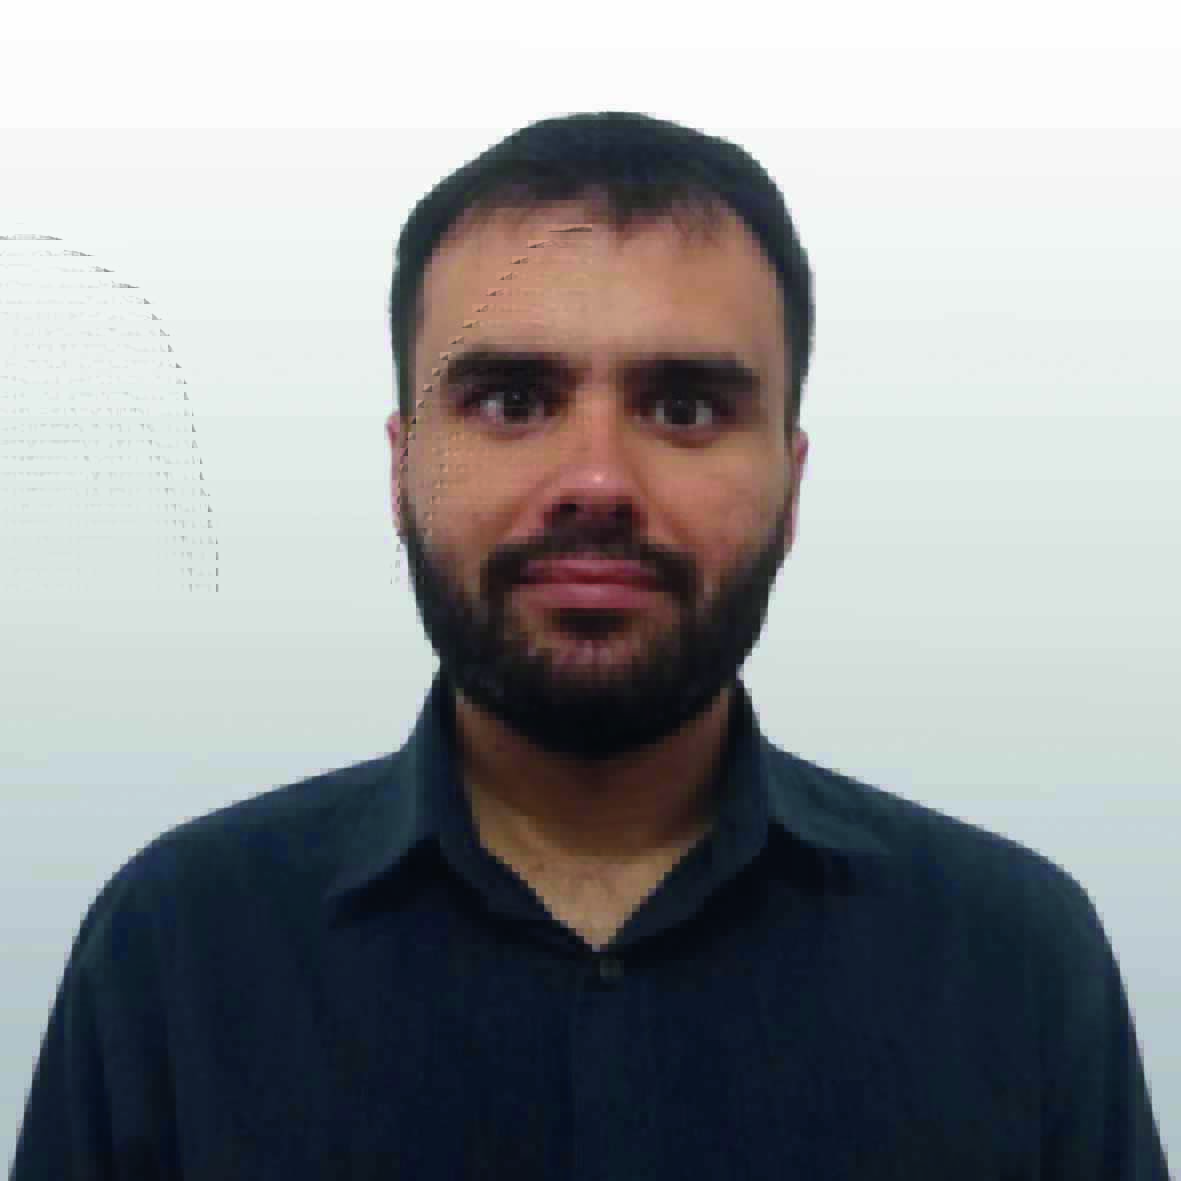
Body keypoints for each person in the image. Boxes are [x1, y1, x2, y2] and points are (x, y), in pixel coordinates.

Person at [11, 112, 1169, 1180]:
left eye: (683, 407)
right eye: (512, 401)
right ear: (401, 470)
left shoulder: (1012, 964)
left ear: (790, 480)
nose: (598, 481)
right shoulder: (177, 956)